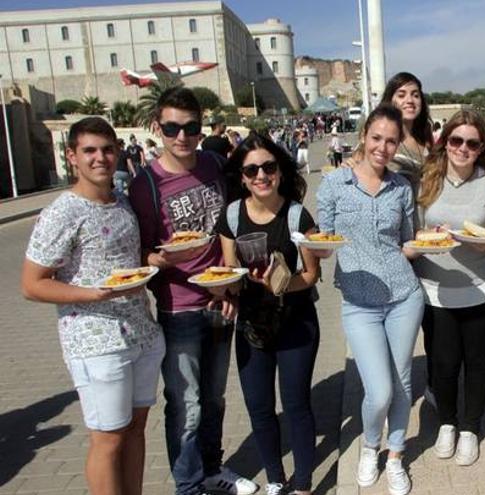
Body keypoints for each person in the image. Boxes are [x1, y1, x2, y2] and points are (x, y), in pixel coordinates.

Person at [21, 117, 164, 495]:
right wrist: (95, 294)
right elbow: (31, 285)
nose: (100, 158)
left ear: (117, 152)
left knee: (134, 428)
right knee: (108, 439)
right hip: (96, 341)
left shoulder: (121, 202)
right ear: (72, 157)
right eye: (89, 151)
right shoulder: (62, 212)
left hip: (141, 332)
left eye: (106, 149)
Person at [128, 87, 256, 495]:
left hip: (221, 299)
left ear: (201, 128)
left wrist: (231, 285)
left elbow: (233, 227)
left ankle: (213, 470)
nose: (181, 136)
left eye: (190, 127)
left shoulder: (215, 165)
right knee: (187, 404)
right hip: (178, 308)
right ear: (157, 128)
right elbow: (143, 255)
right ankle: (188, 485)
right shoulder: (145, 185)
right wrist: (166, 259)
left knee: (216, 398)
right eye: (171, 128)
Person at [315, 104, 423, 495]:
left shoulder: (401, 188)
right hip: (359, 301)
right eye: (376, 137)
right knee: (378, 390)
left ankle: (394, 454)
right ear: (364, 135)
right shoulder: (334, 185)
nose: (383, 147)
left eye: (391, 140)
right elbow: (324, 243)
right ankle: (368, 444)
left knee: (402, 380)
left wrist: (431, 243)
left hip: (404, 296)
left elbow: (406, 241)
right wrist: (313, 250)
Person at [214, 134, 320, 495]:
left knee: (295, 405)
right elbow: (230, 271)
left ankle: (303, 484)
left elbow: (310, 276)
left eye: (269, 167)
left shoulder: (297, 214)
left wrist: (279, 282)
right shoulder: (231, 215)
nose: (262, 175)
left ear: (280, 171)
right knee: (259, 407)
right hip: (251, 327)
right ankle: (276, 479)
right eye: (252, 169)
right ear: (242, 176)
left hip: (296, 323)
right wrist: (223, 289)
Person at [414, 110, 485, 466]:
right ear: (445, 141)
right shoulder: (426, 179)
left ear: (482, 146)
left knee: (477, 360)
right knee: (443, 362)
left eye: (472, 143)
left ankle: (470, 428)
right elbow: (411, 231)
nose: (463, 148)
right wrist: (427, 238)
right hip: (435, 289)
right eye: (456, 140)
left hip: (480, 287)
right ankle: (448, 423)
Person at [380, 72, 434, 193]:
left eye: (415, 95)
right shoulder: (381, 140)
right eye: (401, 95)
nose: (409, 100)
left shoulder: (425, 136)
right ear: (390, 100)